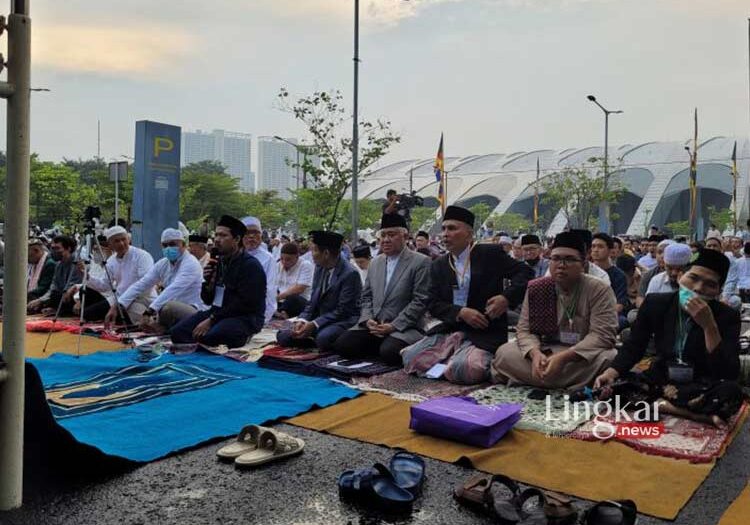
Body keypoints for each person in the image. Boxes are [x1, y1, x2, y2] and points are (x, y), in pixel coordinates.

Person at [595, 249, 742, 426]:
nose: (698, 288)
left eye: (710, 284)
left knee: (731, 393)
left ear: (718, 290)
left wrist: (709, 326)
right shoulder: (656, 303)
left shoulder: (727, 316)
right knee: (612, 389)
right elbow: (634, 345)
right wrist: (612, 371)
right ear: (680, 276)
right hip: (663, 376)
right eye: (693, 278)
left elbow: (728, 371)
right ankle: (693, 413)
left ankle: (663, 405)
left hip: (702, 382)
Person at [401, 206, 533, 385]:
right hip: (453, 329)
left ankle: (457, 360)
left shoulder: (489, 254)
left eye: (453, 228)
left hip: (485, 330)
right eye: (444, 228)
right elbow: (431, 302)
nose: (446, 234)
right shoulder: (439, 264)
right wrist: (460, 312)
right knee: (410, 358)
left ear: (469, 234)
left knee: (467, 369)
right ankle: (453, 357)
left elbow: (525, 272)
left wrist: (506, 298)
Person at [491, 232, 618, 390]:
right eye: (556, 258)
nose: (561, 265)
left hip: (580, 354)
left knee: (609, 358)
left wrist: (564, 358)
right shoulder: (538, 287)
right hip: (546, 350)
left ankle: (535, 378)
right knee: (504, 352)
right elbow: (524, 329)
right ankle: (561, 380)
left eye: (569, 259)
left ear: (583, 263)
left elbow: (602, 335)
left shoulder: (599, 289)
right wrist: (535, 354)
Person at [333, 214, 431, 365]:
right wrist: (367, 319)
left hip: (404, 326)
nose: (385, 240)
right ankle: (381, 345)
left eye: (391, 235)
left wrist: (393, 326)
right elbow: (366, 296)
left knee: (389, 352)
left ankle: (391, 346)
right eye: (383, 235)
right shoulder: (375, 262)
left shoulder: (420, 262)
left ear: (405, 236)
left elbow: (420, 300)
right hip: (375, 324)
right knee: (342, 345)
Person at [171, 215, 266, 348]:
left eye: (223, 236)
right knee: (177, 332)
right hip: (218, 313)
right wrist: (208, 283)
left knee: (212, 337)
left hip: (244, 317)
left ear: (237, 239)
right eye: (216, 235)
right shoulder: (219, 262)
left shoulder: (250, 266)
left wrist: (211, 320)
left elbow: (245, 304)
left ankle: (243, 336)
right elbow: (208, 300)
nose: (216, 240)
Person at [276, 231, 362, 352]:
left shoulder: (350, 274)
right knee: (283, 335)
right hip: (320, 317)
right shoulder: (320, 267)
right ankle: (310, 337)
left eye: (314, 250)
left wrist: (315, 324)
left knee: (324, 338)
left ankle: (313, 337)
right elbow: (312, 301)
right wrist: (303, 320)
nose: (311, 255)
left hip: (342, 320)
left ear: (326, 253)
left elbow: (343, 310)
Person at [105, 228, 204, 331]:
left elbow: (173, 290)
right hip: (164, 308)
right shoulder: (164, 263)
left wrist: (150, 311)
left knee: (168, 307)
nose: (169, 248)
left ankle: (162, 327)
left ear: (183, 245)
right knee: (132, 309)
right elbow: (142, 284)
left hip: (192, 309)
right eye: (165, 245)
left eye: (173, 244)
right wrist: (118, 305)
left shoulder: (190, 263)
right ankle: (158, 327)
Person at [82, 226, 155, 323]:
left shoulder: (142, 256)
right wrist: (87, 276)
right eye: (116, 241)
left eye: (123, 239)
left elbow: (146, 284)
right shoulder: (111, 261)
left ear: (128, 239)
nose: (121, 243)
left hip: (141, 299)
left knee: (126, 320)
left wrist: (122, 303)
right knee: (87, 314)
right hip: (119, 298)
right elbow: (105, 285)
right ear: (110, 245)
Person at [27, 235, 84, 316]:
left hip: (73, 296)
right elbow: (53, 286)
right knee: (53, 296)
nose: (54, 251)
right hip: (60, 295)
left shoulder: (77, 263)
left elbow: (74, 286)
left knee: (60, 297)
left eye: (57, 248)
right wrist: (41, 300)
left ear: (68, 249)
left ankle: (58, 310)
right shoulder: (59, 264)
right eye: (52, 248)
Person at [241, 216, 278, 323]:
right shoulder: (233, 255)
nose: (252, 236)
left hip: (256, 311)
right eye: (247, 233)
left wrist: (263, 316)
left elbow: (270, 289)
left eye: (256, 232)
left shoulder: (268, 258)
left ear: (261, 236)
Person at [591, 233, 629, 328]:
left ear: (610, 250)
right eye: (593, 246)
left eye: (600, 247)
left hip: (609, 313)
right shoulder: (586, 270)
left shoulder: (619, 275)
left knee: (621, 321)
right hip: (587, 312)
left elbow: (619, 304)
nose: (595, 250)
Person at [275, 241, 314, 318]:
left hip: (299, 300)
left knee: (293, 297)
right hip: (280, 300)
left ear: (297, 257)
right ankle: (281, 312)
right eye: (282, 258)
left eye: (288, 259)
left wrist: (277, 297)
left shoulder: (305, 265)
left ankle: (281, 312)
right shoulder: (278, 265)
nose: (284, 262)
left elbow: (299, 289)